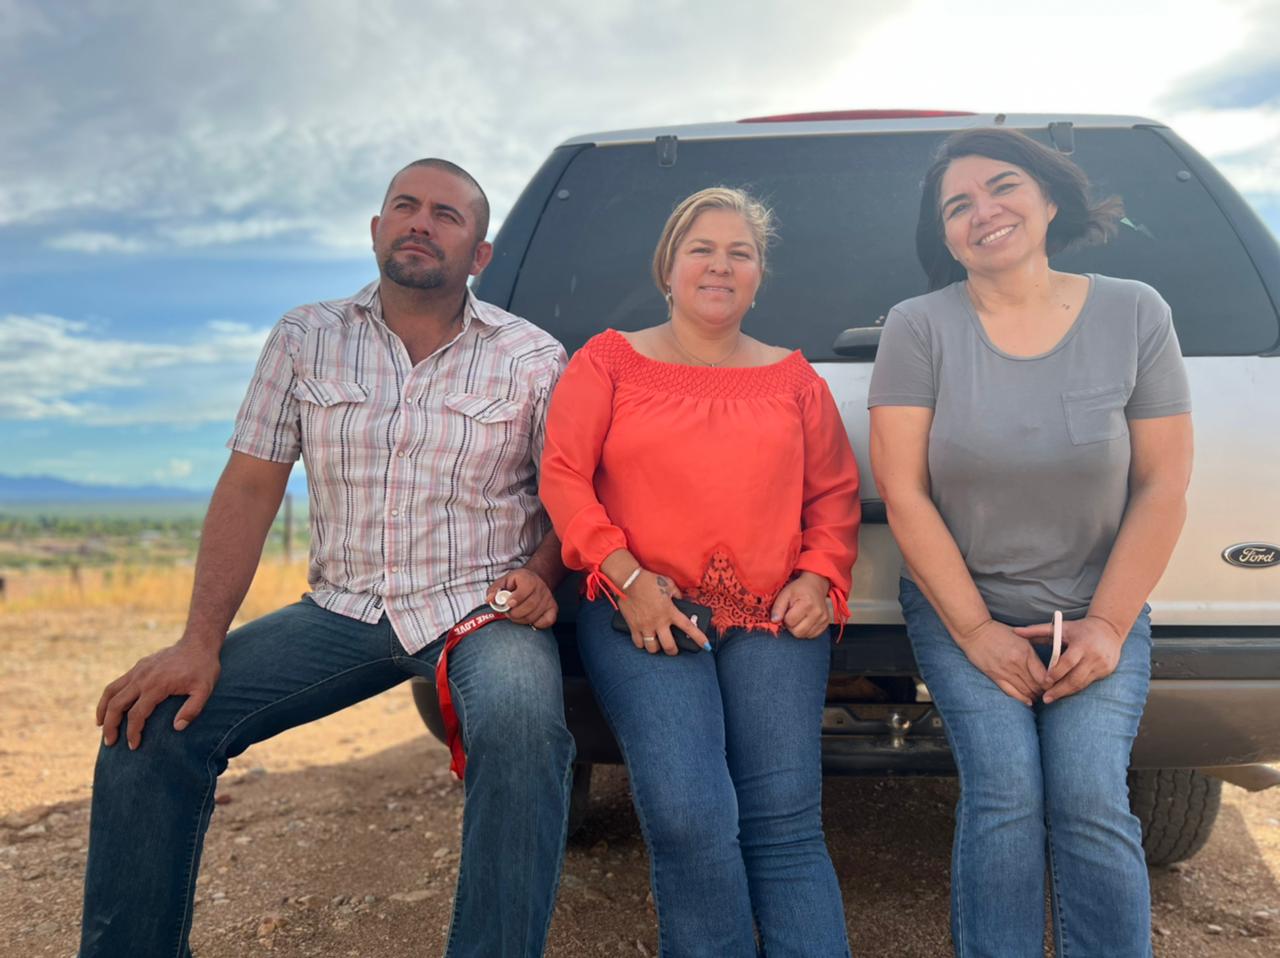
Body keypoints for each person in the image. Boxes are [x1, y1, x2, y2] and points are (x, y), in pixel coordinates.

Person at [79, 159, 575, 958]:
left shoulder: (532, 358)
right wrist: (198, 641)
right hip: (340, 612)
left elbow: (570, 498)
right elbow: (249, 486)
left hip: (484, 611)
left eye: (446, 214)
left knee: (525, 733)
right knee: (155, 726)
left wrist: (544, 574)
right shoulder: (305, 337)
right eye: (404, 206)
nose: (421, 221)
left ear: (479, 254)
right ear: (377, 230)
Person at [869, 128, 1193, 957]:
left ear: (1050, 199)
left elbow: (1161, 486)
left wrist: (1110, 626)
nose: (984, 212)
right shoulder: (917, 326)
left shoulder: (1136, 311)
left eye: (1002, 187)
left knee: (1089, 793)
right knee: (1006, 791)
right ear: (943, 236)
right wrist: (975, 631)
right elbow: (904, 493)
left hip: (1096, 604)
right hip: (961, 602)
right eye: (957, 205)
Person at [540, 187, 860, 957]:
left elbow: (835, 496)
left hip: (771, 617)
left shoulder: (794, 380)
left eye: (739, 253)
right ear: (669, 268)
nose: (720, 265)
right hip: (642, 610)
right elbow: (562, 477)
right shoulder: (608, 361)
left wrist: (818, 578)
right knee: (688, 815)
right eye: (702, 250)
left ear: (757, 276)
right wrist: (628, 579)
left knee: (783, 820)